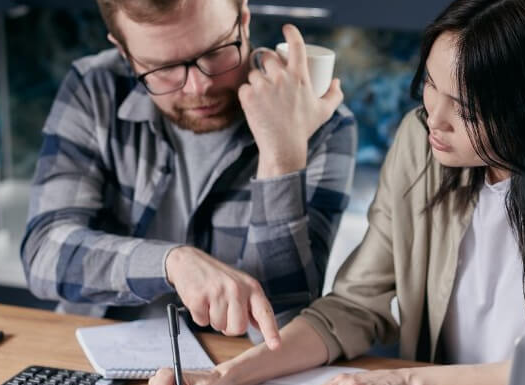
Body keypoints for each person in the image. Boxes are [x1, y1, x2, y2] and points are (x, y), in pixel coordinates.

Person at [143, 0, 525, 385]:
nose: (433, 117)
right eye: (431, 84)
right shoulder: (423, 144)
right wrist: (226, 375)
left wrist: (407, 383)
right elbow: (352, 307)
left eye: (468, 110)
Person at [20, 0, 357, 347]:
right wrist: (172, 264)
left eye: (215, 52)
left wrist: (280, 158)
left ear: (243, 19)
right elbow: (43, 255)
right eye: (162, 68)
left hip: (237, 372)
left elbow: (284, 328)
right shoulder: (95, 88)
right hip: (94, 354)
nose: (199, 87)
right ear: (124, 52)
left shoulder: (320, 121)